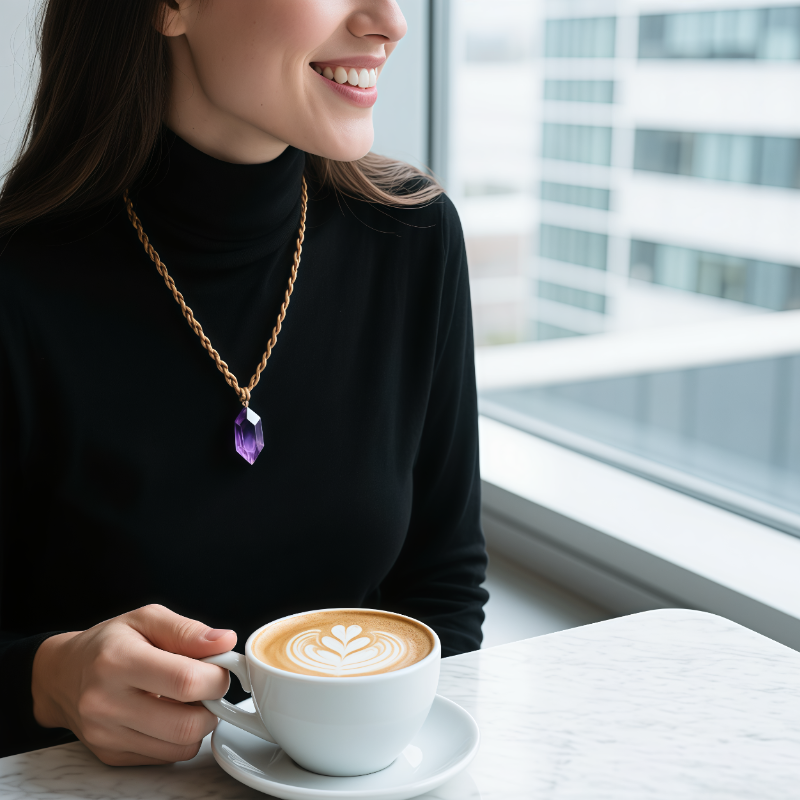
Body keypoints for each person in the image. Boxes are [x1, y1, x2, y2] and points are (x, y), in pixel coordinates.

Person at [0, 0, 489, 763]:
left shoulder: (413, 238)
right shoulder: (16, 282)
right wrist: (46, 678)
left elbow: (445, 587)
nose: (390, 22)